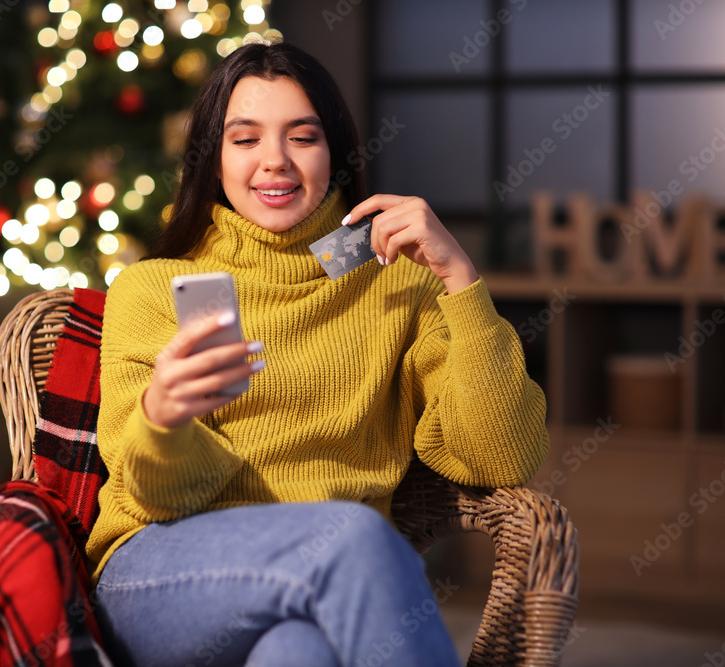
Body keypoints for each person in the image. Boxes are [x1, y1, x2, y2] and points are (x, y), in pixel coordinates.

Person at [87, 41, 549, 667]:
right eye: (245, 140)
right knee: (351, 536)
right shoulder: (152, 289)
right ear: (212, 160)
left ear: (335, 152)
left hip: (329, 579)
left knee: (296, 653)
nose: (274, 162)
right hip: (163, 570)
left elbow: (503, 453)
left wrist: (460, 278)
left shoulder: (398, 282)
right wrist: (163, 419)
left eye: (301, 138)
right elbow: (159, 495)